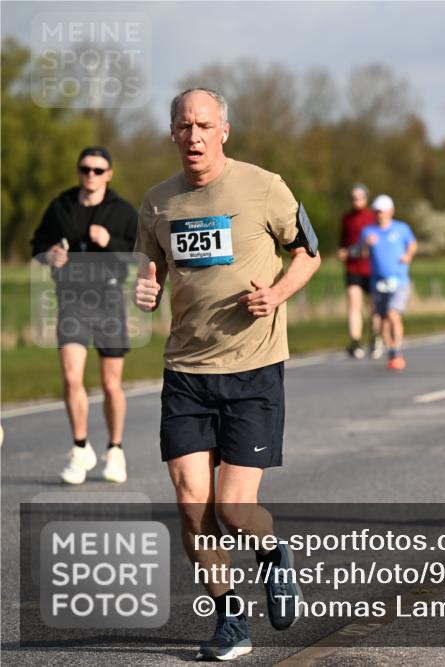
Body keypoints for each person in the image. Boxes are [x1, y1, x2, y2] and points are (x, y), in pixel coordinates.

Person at [133, 88, 320, 661]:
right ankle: (230, 621)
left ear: (225, 131)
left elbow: (308, 253)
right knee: (193, 505)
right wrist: (146, 286)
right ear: (172, 133)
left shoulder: (264, 186)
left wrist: (278, 293)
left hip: (252, 369)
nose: (194, 136)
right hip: (186, 371)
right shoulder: (157, 202)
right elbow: (151, 264)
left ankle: (272, 554)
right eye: (184, 125)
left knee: (234, 510)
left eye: (204, 125)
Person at [31, 146, 137, 485]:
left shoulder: (121, 212)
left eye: (98, 169)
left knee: (110, 383)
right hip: (72, 300)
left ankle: (115, 450)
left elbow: (139, 255)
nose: (90, 174)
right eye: (85, 168)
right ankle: (80, 450)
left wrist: (110, 242)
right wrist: (50, 256)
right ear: (79, 171)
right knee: (71, 377)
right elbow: (37, 245)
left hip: (109, 299)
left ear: (109, 174)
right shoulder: (60, 207)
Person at [363, 195, 417, 371]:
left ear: (391, 211)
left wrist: (408, 255)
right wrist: (366, 245)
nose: (380, 214)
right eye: (377, 211)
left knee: (393, 314)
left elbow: (412, 244)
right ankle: (391, 349)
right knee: (383, 319)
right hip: (378, 281)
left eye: (383, 211)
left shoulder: (402, 229)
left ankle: (396, 349)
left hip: (399, 279)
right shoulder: (368, 231)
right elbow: (360, 253)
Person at [337, 184, 380, 359]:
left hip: (371, 268)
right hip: (353, 267)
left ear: (366, 198)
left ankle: (376, 338)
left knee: (373, 306)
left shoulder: (372, 217)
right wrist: (343, 252)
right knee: (354, 303)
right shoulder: (346, 218)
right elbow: (343, 243)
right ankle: (355, 341)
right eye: (353, 198)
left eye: (360, 197)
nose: (356, 201)